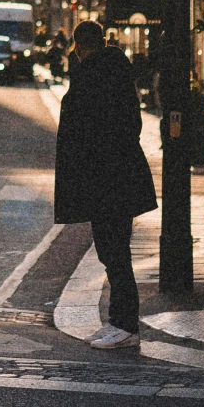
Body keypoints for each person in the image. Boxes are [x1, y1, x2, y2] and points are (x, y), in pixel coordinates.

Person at [53, 18, 157, 349]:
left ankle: (125, 324)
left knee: (113, 251)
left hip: (105, 178)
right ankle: (118, 320)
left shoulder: (93, 76)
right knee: (114, 250)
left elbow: (86, 130)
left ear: (80, 47)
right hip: (118, 175)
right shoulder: (115, 72)